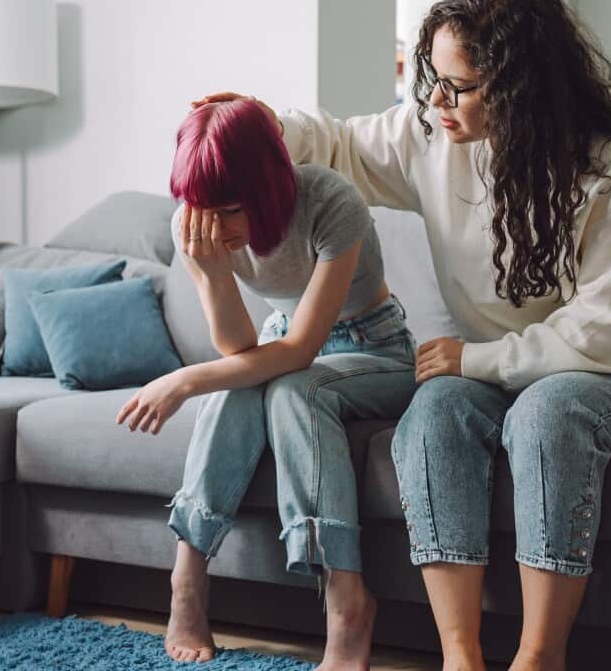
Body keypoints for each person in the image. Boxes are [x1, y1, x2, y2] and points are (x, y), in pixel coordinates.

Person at [193, 0, 611, 671]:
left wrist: (477, 360)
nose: (434, 100)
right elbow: (337, 144)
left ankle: (539, 657)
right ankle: (461, 657)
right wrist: (269, 126)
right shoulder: (432, 136)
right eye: (433, 78)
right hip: (495, 370)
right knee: (432, 415)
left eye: (457, 86)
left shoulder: (602, 168)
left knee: (545, 412)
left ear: (520, 91)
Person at [115, 98, 419, 670]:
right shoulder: (196, 226)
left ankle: (347, 601)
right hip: (280, 340)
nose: (217, 229)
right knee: (238, 385)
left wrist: (183, 380)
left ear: (268, 186)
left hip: (372, 347)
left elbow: (300, 352)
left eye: (231, 211)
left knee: (291, 388)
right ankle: (187, 579)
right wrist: (209, 271)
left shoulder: (330, 201)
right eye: (202, 210)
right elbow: (238, 348)